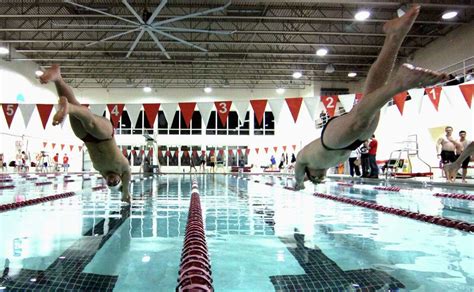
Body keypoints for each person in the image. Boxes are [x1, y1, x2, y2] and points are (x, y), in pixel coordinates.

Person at [294, 5, 448, 189]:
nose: (319, 179)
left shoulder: (304, 159)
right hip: (353, 143)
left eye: (315, 179)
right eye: (320, 180)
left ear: (307, 173)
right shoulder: (325, 166)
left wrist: (298, 183)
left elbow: (297, 170)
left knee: (359, 120)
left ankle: (400, 83)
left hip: (331, 140)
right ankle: (394, 36)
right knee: (373, 94)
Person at [40, 64, 132, 203]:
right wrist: (125, 192)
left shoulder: (99, 169)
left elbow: (112, 178)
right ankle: (69, 108)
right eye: (115, 181)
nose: (112, 180)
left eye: (110, 183)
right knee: (90, 123)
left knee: (74, 103)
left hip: (86, 138)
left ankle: (58, 78)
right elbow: (128, 175)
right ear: (120, 178)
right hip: (106, 135)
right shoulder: (122, 167)